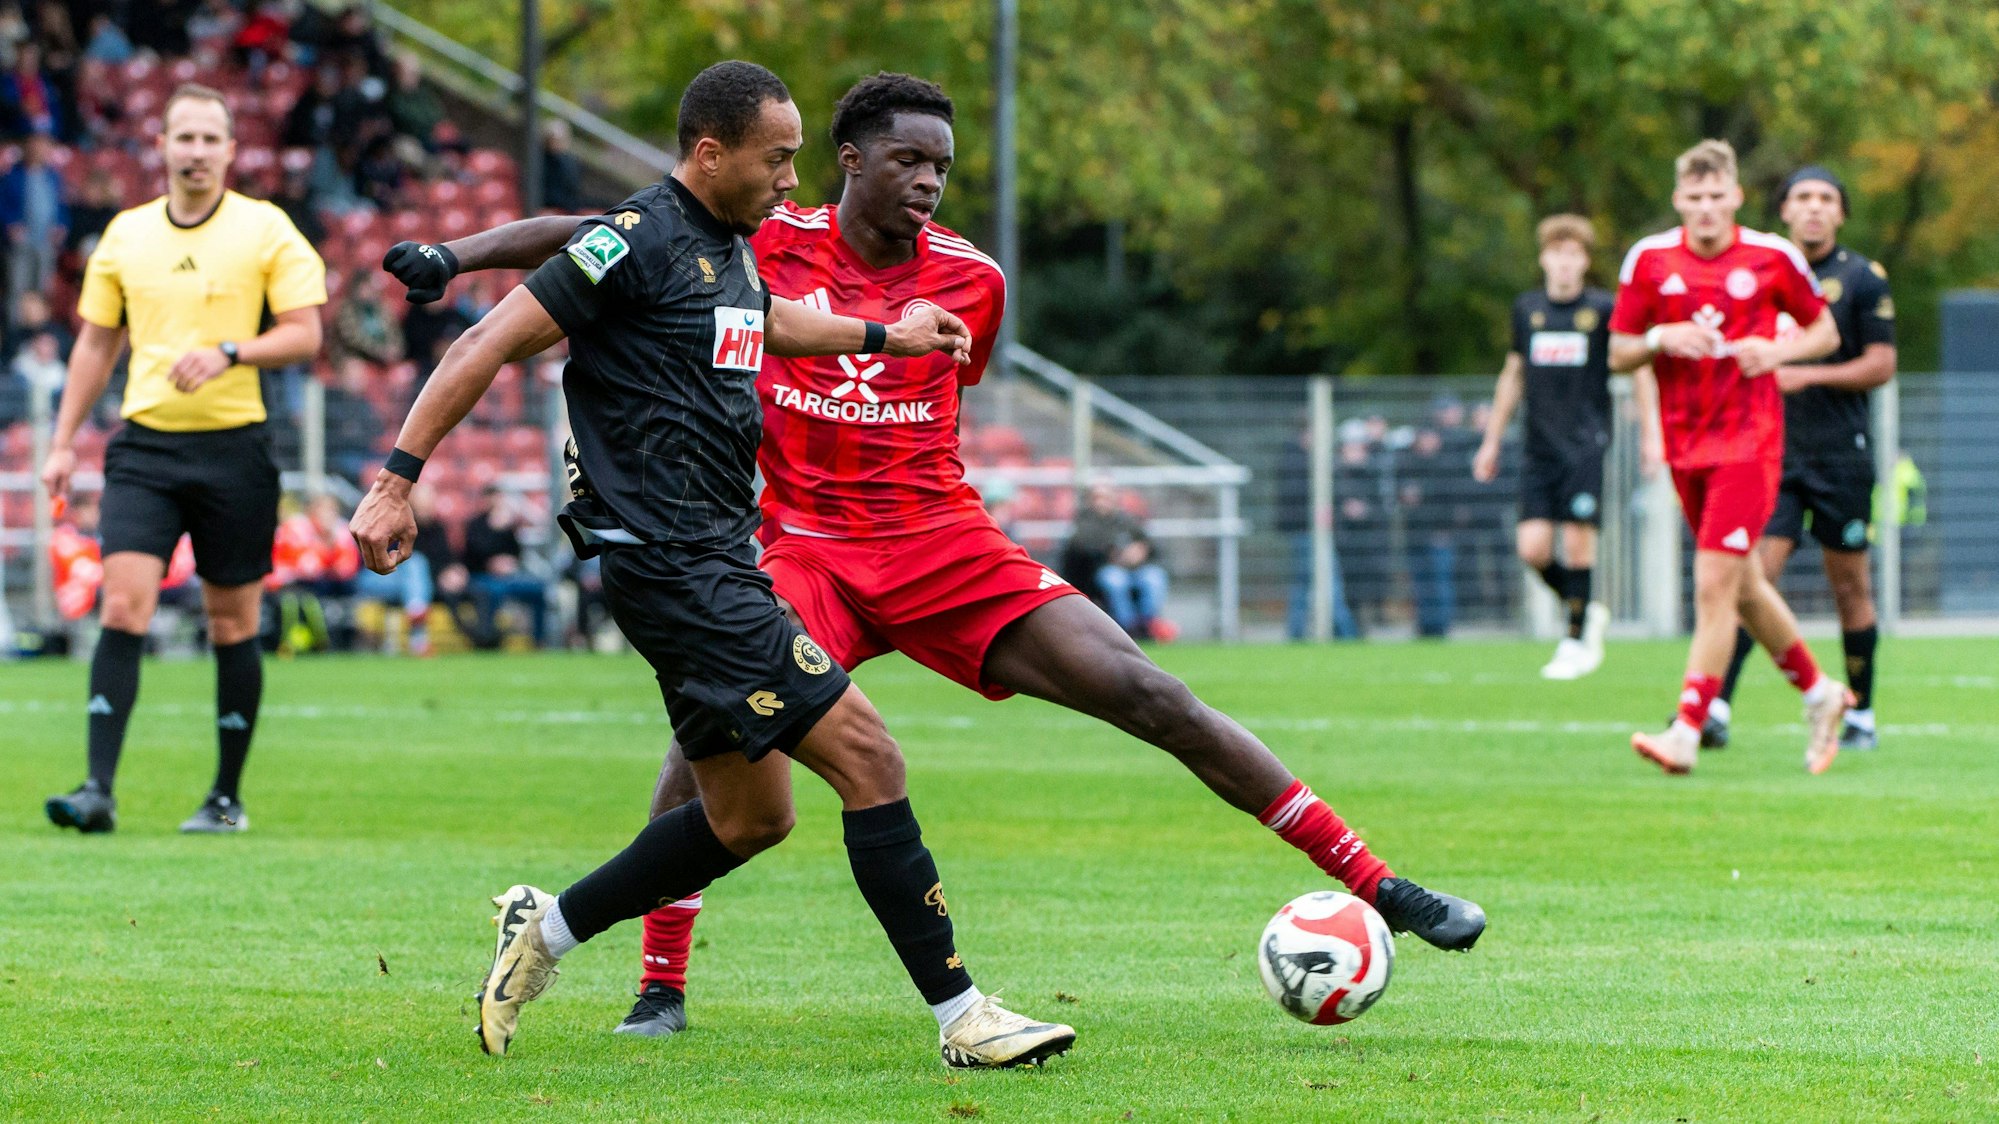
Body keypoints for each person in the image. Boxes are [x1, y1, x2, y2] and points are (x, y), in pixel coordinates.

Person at [384, 69, 1484, 1044]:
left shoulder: (974, 279)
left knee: (1149, 689)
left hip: (943, 542)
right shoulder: (757, 232)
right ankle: (663, 982)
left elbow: (928, 374)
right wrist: (455, 257)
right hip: (803, 543)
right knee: (725, 740)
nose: (929, 183)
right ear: (848, 161)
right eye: (909, 160)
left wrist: (886, 342)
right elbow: (586, 238)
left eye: (943, 167)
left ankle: (1378, 883)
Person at [352, 61, 1073, 1068]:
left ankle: (543, 930)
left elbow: (773, 322)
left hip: (708, 560)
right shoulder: (634, 241)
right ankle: (964, 1015)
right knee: (869, 758)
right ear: (710, 152)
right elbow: (485, 340)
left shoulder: (729, 249)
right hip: (680, 570)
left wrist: (889, 336)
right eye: (776, 159)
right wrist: (397, 480)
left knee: (749, 815)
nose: (791, 179)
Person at [39, 84, 327, 834]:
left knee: (231, 623)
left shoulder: (266, 229)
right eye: (184, 138)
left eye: (209, 139)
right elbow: (97, 344)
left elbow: (304, 334)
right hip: (144, 447)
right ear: (160, 147)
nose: (195, 151)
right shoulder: (126, 236)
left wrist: (232, 351)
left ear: (231, 150)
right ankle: (97, 790)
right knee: (122, 601)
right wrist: (64, 443)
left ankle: (225, 799)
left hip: (237, 451)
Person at [1608, 139, 1850, 775]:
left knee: (1713, 582)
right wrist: (1662, 336)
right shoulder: (1650, 260)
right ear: (1678, 201)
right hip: (1687, 443)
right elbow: (1617, 350)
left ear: (1737, 196)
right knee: (1742, 584)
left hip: (1749, 442)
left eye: (1719, 196)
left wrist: (1777, 353)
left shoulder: (1773, 255)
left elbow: (1825, 330)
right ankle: (1821, 693)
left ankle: (1688, 727)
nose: (1707, 209)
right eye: (1696, 198)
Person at [1707, 167, 1896, 753]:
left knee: (1850, 587)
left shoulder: (1862, 279)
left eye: (1826, 199)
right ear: (1783, 210)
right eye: (1802, 198)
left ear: (1840, 214)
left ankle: (1860, 713)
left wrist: (1802, 373)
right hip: (1770, 455)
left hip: (1841, 457)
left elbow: (1881, 365)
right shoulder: (1757, 272)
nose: (1814, 208)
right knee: (1750, 579)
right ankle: (1715, 708)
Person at [1473, 215, 1620, 676]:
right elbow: (1513, 374)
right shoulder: (1527, 310)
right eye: (1556, 252)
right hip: (1538, 447)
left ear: (1584, 261)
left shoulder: (1602, 310)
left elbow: (1634, 369)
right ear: (1543, 258)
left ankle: (1575, 641)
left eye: (1573, 253)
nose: (1563, 262)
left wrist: (1652, 436)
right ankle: (1586, 609)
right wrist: (1491, 439)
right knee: (1532, 549)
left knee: (1579, 545)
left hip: (1584, 444)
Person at [1064, 482, 1169, 639]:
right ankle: (1128, 627)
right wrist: (1112, 554)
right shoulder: (1083, 522)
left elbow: (1150, 545)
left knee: (1154, 578)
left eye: (1106, 497)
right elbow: (1081, 551)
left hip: (1136, 568)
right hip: (1104, 569)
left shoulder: (1126, 520)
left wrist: (1140, 550)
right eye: (1097, 497)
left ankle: (1147, 624)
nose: (1102, 501)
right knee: (1115, 581)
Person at [460, 484, 547, 649]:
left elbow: (516, 552)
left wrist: (509, 562)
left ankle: (539, 640)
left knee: (538, 589)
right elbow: (474, 553)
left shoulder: (508, 525)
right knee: (492, 593)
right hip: (481, 576)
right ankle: (489, 639)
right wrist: (492, 560)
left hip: (508, 578)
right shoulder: (475, 525)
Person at [0, 130, 69, 306]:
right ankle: (16, 331)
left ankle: (39, 329)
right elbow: (4, 204)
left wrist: (61, 225)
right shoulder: (12, 175)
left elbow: (61, 205)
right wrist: (10, 225)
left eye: (44, 145)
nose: (39, 149)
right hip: (21, 241)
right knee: (18, 287)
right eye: (35, 144)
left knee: (42, 288)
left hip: (45, 240)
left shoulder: (53, 176)